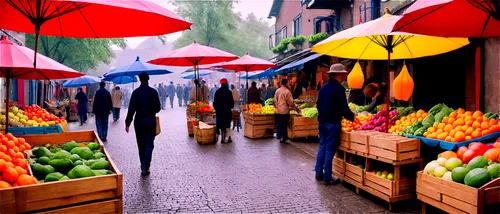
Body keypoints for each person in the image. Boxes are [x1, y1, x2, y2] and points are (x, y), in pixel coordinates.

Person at [315, 64, 356, 185]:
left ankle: (318, 173)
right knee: (330, 149)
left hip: (322, 122)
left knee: (322, 147)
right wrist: (353, 118)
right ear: (338, 75)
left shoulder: (323, 88)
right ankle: (327, 176)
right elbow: (344, 108)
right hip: (333, 123)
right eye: (343, 75)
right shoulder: (339, 89)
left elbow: (318, 105)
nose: (344, 77)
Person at [125, 72, 161, 176]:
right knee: (149, 145)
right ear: (148, 79)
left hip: (139, 122)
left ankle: (143, 166)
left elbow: (131, 109)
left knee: (141, 144)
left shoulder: (135, 93)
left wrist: (127, 123)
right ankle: (146, 166)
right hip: (150, 121)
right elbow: (158, 108)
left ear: (139, 80)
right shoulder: (153, 92)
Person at [274, 79, 298, 144]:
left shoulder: (277, 91)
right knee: (284, 124)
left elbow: (275, 101)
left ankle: (279, 136)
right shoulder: (287, 91)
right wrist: (294, 106)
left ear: (281, 83)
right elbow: (290, 102)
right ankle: (284, 137)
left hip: (279, 110)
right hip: (285, 110)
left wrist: (277, 107)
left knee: (280, 123)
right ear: (286, 83)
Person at [213, 78, 234, 143]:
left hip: (219, 112)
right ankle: (227, 138)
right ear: (226, 84)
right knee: (227, 125)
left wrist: (216, 108)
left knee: (221, 124)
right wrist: (231, 107)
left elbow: (214, 103)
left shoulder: (217, 92)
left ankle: (222, 138)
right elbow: (231, 102)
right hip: (227, 111)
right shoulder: (229, 92)